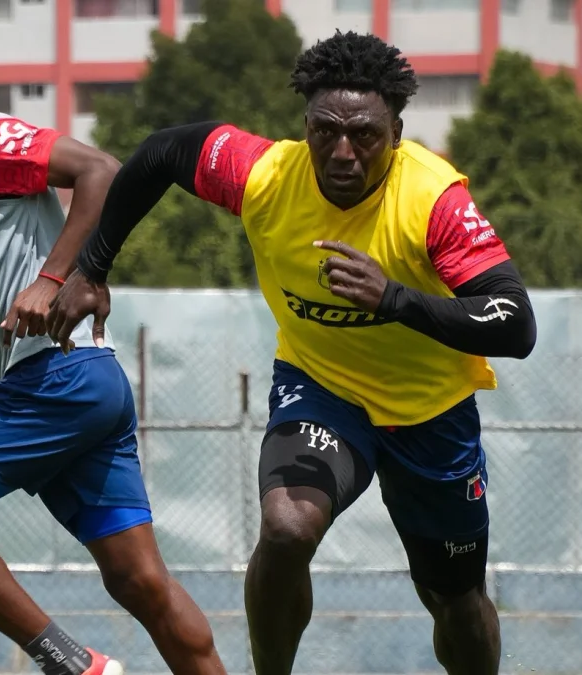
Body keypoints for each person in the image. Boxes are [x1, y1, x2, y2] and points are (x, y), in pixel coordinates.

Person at [47, 30, 538, 675]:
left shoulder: (431, 200)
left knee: (453, 594)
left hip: (430, 412)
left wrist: (394, 299)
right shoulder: (264, 174)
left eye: (364, 135)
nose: (342, 152)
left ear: (396, 130)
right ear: (303, 124)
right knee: (285, 529)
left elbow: (514, 323)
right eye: (324, 130)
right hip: (322, 388)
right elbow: (162, 153)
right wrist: (92, 267)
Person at [0, 19, 225, 675]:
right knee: (140, 583)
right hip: (85, 385)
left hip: (56, 380)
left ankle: (73, 664)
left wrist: (58, 277)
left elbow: (100, 171)